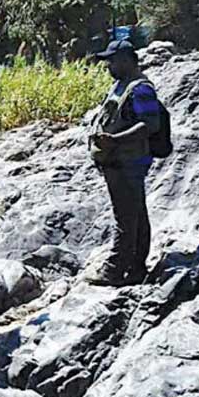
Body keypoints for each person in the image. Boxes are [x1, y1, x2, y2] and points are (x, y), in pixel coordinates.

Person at [86, 39, 161, 287]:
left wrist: (114, 140)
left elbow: (150, 125)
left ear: (127, 60)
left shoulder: (140, 89)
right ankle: (137, 267)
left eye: (112, 60)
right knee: (135, 213)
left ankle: (115, 272)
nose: (108, 65)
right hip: (118, 161)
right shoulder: (121, 85)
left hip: (128, 162)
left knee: (126, 218)